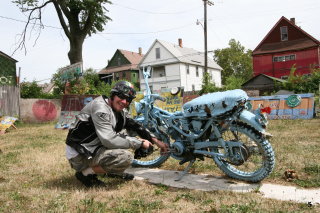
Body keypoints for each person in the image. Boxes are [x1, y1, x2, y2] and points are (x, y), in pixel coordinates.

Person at [65, 81, 169, 187]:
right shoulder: (101, 109)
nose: (124, 101)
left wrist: (156, 141)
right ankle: (85, 174)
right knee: (125, 157)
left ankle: (109, 171)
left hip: (93, 147)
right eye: (121, 96)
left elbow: (135, 125)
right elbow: (109, 139)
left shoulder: (118, 110)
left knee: (124, 141)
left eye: (128, 99)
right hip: (80, 155)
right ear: (113, 95)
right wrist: (139, 143)